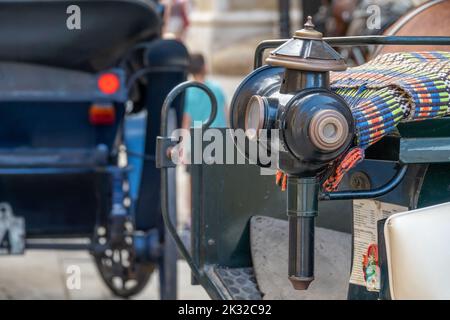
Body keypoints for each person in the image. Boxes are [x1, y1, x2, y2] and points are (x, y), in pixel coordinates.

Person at [182, 53, 227, 130]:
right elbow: (226, 113)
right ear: (204, 67)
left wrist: (182, 141)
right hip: (220, 135)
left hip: (199, 136)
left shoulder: (187, 92)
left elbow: (187, 121)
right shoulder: (217, 88)